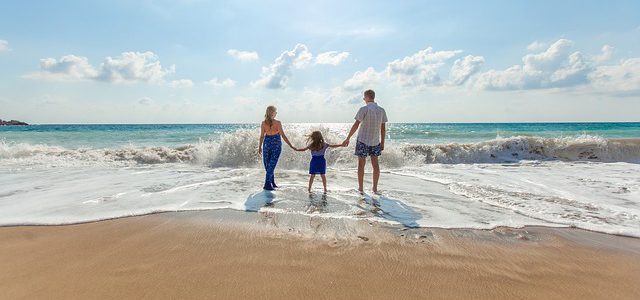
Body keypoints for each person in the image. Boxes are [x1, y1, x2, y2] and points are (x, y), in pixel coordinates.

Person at [342, 89, 388, 194]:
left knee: (361, 165)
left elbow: (356, 125)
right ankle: (375, 189)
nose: (364, 99)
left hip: (362, 140)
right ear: (373, 97)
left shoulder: (364, 109)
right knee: (375, 165)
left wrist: (348, 137)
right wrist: (383, 142)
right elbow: (383, 129)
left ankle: (361, 188)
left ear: (367, 97)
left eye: (364, 97)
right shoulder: (381, 110)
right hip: (375, 141)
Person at [258, 106, 295, 190]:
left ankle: (272, 182)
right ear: (272, 113)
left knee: (269, 165)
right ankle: (267, 184)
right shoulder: (277, 123)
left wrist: (260, 147)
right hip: (275, 144)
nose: (276, 113)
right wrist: (290, 145)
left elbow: (261, 137)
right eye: (275, 112)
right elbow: (283, 135)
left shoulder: (264, 123)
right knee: (271, 165)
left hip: (267, 143)